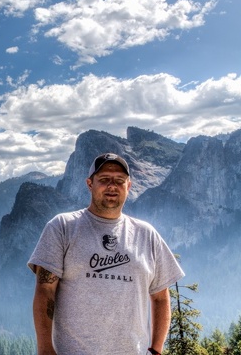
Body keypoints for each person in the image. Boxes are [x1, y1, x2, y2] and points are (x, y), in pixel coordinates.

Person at [28, 152, 184, 355]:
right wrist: (45, 349)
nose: (112, 186)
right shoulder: (63, 227)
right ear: (89, 184)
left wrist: (156, 350)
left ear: (128, 186)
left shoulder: (147, 235)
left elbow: (161, 297)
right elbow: (45, 291)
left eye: (119, 180)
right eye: (104, 179)